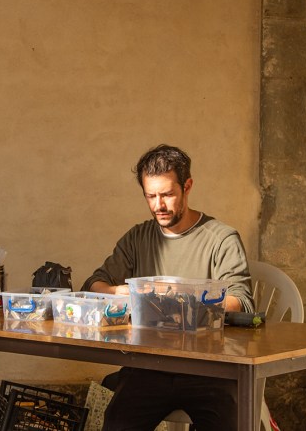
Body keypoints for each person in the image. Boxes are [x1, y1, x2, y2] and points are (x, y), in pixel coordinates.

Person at [81, 144, 253, 431]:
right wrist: (121, 292)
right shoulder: (138, 238)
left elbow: (241, 302)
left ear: (187, 187)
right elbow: (94, 283)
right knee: (117, 423)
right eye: (151, 196)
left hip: (210, 369)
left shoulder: (221, 239)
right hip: (150, 366)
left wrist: (182, 300)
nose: (158, 205)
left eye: (167, 194)